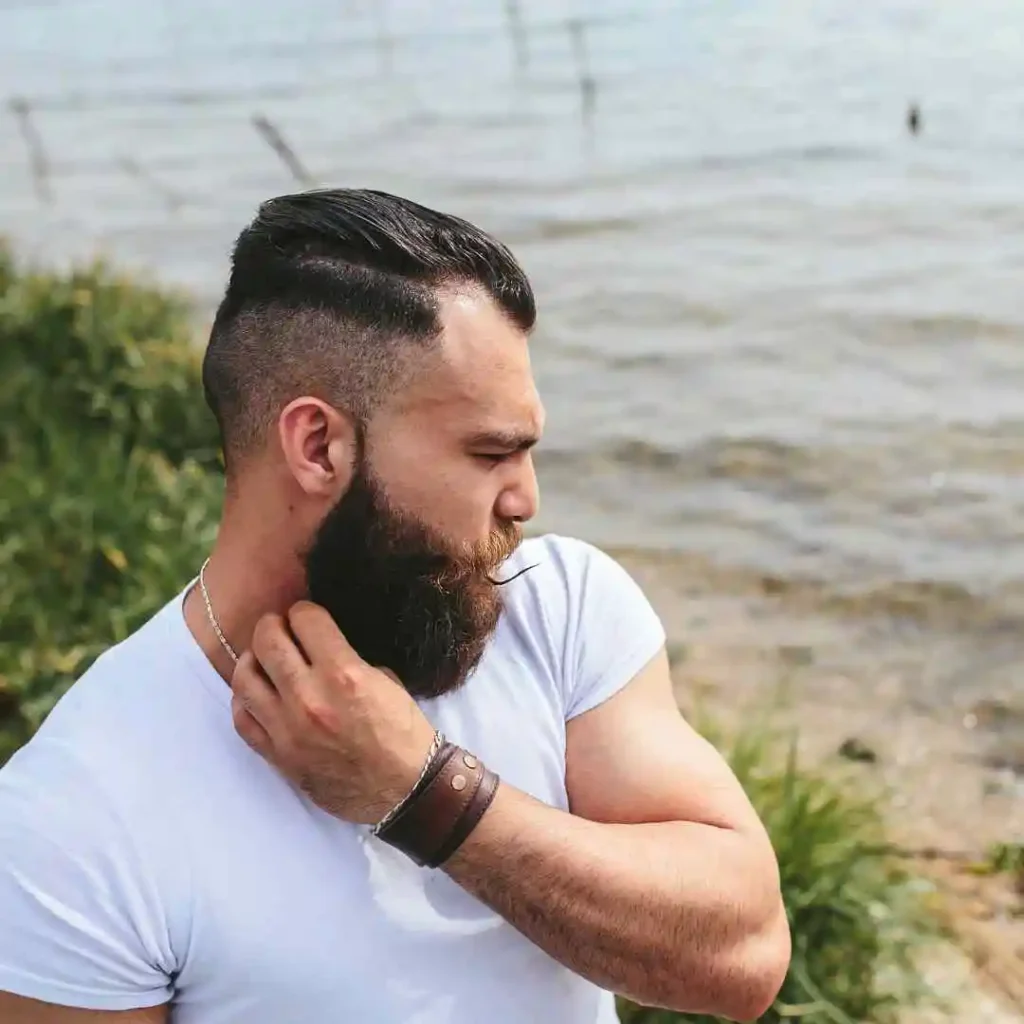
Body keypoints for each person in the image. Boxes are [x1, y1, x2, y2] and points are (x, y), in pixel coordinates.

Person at [0, 189, 790, 1024]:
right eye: (490, 452)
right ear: (319, 447)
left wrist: (423, 795)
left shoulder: (559, 608)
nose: (525, 499)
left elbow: (741, 959)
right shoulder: (75, 814)